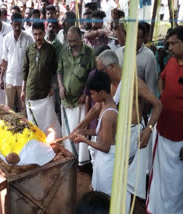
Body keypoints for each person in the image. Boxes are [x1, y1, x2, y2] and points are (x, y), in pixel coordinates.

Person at [74, 50, 162, 211]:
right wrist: (80, 126)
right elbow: (96, 108)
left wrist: (149, 129)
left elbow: (157, 104)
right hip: (111, 140)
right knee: (107, 178)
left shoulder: (134, 82)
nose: (98, 73)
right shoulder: (108, 86)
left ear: (112, 66)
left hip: (130, 138)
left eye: (101, 70)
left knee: (123, 184)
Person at [147, 26, 183, 214]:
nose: (169, 47)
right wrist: (163, 95)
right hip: (163, 131)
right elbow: (161, 78)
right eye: (168, 43)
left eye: (173, 43)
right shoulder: (171, 62)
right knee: (160, 176)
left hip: (180, 138)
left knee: (176, 182)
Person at [72, 71, 117, 195]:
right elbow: (99, 132)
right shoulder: (103, 104)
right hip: (102, 158)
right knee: (98, 190)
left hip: (107, 160)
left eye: (92, 93)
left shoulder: (108, 114)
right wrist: (83, 131)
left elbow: (105, 147)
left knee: (104, 195)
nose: (91, 97)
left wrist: (84, 140)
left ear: (101, 93)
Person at [58, 26, 96, 163]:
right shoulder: (64, 51)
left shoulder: (89, 53)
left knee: (79, 128)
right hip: (66, 100)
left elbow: (92, 75)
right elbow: (59, 71)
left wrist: (86, 93)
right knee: (68, 129)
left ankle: (80, 161)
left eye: (75, 41)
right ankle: (69, 156)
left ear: (81, 38)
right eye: (69, 41)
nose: (72, 44)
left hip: (81, 101)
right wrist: (61, 87)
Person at [21, 22, 61, 136]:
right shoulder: (29, 49)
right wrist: (23, 90)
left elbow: (55, 70)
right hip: (31, 91)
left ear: (44, 33)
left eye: (40, 34)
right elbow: (25, 70)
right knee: (33, 123)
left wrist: (53, 86)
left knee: (47, 121)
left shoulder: (51, 50)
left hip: (45, 92)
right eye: (35, 34)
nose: (37, 37)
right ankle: (36, 142)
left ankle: (48, 143)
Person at [1, 13, 33, 113]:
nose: (18, 27)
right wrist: (1, 77)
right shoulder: (6, 38)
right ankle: (10, 127)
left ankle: (23, 128)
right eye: (15, 25)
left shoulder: (28, 38)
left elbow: (31, 60)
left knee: (24, 107)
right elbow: (4, 59)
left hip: (23, 80)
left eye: (20, 24)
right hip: (9, 78)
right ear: (11, 24)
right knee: (9, 107)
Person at [115, 22, 158, 96]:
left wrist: (146, 107)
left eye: (138, 37)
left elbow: (151, 87)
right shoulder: (119, 52)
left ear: (144, 39)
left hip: (138, 102)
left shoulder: (149, 57)